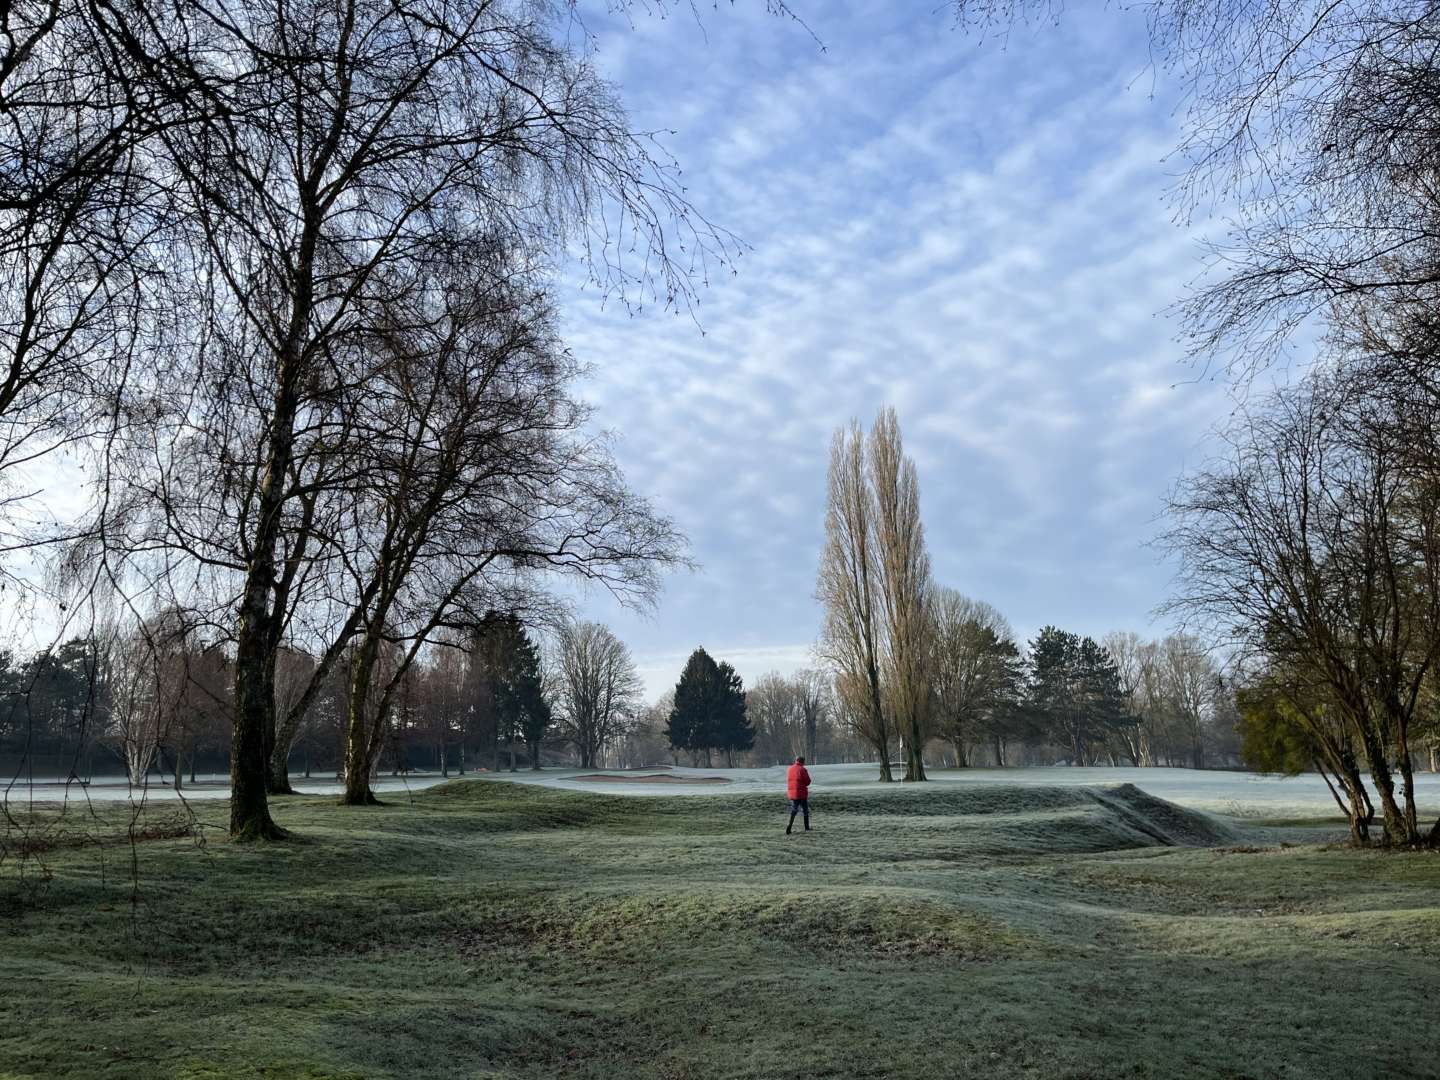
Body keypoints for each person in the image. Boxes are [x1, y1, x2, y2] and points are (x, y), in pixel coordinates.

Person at [785, 756, 812, 834]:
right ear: (803, 762)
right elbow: (808, 782)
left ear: (796, 760)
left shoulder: (789, 769)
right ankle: (806, 827)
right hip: (801, 794)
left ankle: (789, 827)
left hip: (792, 793)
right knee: (805, 810)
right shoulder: (802, 769)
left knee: (794, 810)